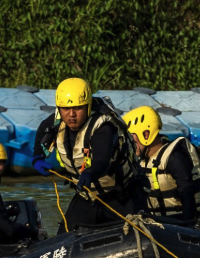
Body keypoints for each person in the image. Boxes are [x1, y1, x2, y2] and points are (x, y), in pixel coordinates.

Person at [31, 77, 142, 233]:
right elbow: (43, 130)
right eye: (66, 109)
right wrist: (37, 157)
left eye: (78, 108)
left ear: (88, 106)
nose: (71, 114)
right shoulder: (56, 121)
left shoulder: (103, 127)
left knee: (136, 234)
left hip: (119, 196)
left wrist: (90, 172)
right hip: (86, 197)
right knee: (62, 237)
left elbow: (102, 160)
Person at [123, 106, 200, 223]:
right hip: (155, 223)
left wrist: (187, 225)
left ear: (146, 135)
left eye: (131, 138)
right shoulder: (140, 161)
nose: (129, 144)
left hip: (180, 223)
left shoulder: (175, 158)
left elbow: (187, 194)